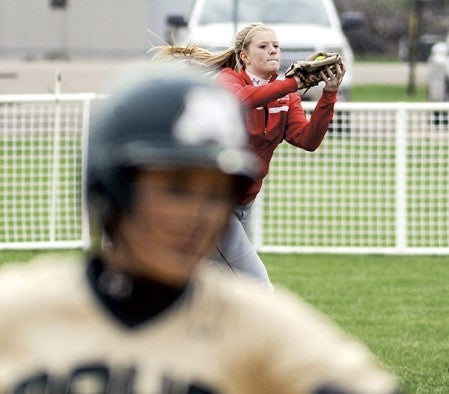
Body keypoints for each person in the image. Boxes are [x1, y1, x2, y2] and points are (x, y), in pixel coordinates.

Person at [0, 64, 401, 394]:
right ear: (110, 190)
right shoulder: (17, 311)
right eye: (176, 188)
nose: (200, 215)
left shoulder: (259, 326)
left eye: (217, 193)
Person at [150, 22, 345, 289]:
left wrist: (329, 94)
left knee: (214, 286)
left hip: (245, 202)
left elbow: (308, 140)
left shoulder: (286, 95)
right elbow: (241, 99)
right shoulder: (230, 80)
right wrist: (293, 83)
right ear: (244, 56)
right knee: (257, 286)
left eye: (276, 46)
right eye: (263, 46)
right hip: (215, 201)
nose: (273, 51)